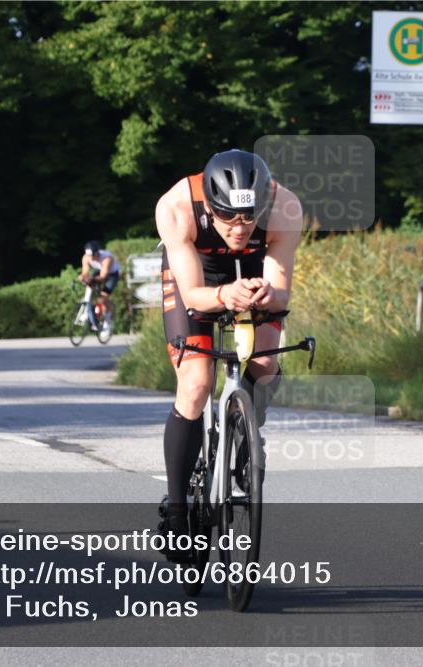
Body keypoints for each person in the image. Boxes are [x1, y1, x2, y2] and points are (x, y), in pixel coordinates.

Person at [154, 149, 303, 561]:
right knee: (196, 383)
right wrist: (223, 295)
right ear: (209, 207)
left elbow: (281, 290)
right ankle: (178, 510)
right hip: (197, 277)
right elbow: (192, 296)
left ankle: (246, 430)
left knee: (265, 362)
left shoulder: (284, 207)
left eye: (249, 218)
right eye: (228, 218)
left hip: (252, 273)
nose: (239, 228)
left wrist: (270, 294)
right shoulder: (177, 207)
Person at [79, 241, 120, 334]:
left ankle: (108, 322)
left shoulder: (107, 258)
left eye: (93, 256)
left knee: (102, 298)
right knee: (89, 283)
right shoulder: (86, 258)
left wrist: (92, 279)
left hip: (112, 275)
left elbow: (103, 276)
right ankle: (87, 306)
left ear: (97, 253)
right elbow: (85, 271)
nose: (91, 258)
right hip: (99, 271)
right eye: (89, 256)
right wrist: (83, 277)